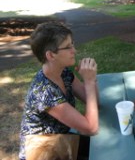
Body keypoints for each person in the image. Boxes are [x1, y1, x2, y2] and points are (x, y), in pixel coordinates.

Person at [19, 21, 99, 160]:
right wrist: (89, 82)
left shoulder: (63, 72)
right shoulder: (45, 92)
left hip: (61, 141)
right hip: (43, 151)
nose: (74, 50)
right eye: (68, 47)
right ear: (51, 55)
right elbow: (91, 128)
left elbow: (93, 101)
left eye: (72, 44)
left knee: (101, 146)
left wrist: (91, 79)